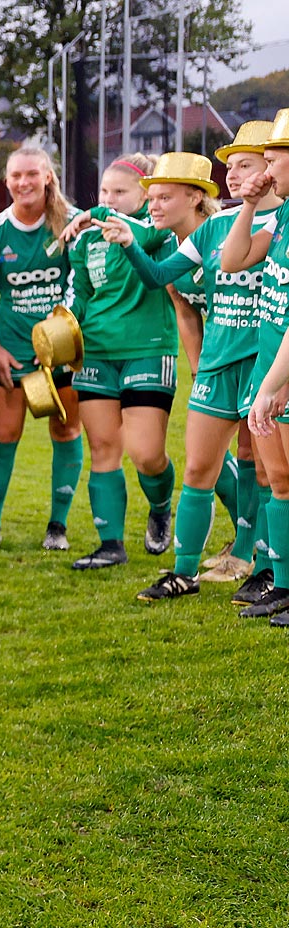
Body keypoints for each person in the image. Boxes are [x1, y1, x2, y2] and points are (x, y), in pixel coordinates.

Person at [103, 152, 257, 601]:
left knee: (255, 462)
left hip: (251, 354)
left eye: (163, 196)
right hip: (217, 358)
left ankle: (250, 553)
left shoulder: (237, 229)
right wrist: (200, 367)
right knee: (202, 462)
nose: (152, 205)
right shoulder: (169, 245)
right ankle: (198, 566)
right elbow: (185, 312)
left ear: (195, 198)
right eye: (150, 196)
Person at [64, 153, 186, 569]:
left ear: (145, 195)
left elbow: (144, 236)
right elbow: (79, 292)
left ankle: (160, 506)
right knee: (102, 448)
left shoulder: (156, 230)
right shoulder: (85, 240)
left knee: (147, 453)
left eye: (120, 192)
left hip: (148, 349)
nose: (109, 200)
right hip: (96, 351)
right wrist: (60, 328)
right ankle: (110, 544)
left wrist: (95, 213)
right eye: (103, 191)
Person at [0, 146, 84, 553]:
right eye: (16, 175)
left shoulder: (69, 225)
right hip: (14, 353)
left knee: (66, 429)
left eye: (32, 174)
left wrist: (58, 338)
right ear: (6, 180)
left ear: (47, 177)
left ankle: (58, 526)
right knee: (4, 433)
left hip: (61, 351)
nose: (24, 182)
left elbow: (81, 286)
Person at [223, 108, 289, 623]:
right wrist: (248, 204)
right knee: (279, 479)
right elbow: (233, 259)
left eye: (273, 160)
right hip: (273, 366)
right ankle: (283, 583)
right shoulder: (284, 214)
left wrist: (272, 383)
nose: (265, 173)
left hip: (281, 371)